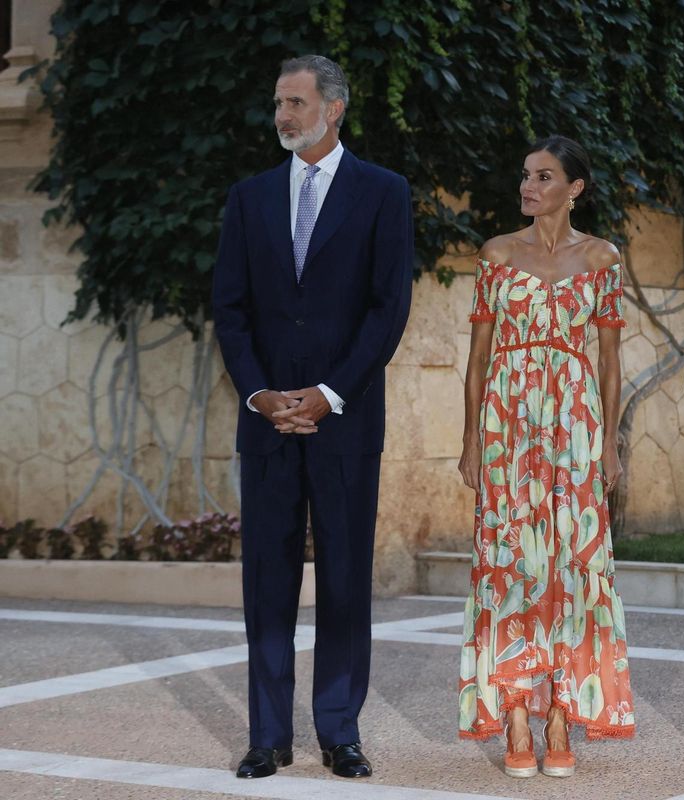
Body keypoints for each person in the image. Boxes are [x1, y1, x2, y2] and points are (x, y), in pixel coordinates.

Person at [211, 54, 413, 780]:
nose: (282, 116)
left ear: (334, 109)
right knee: (266, 580)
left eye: (295, 103)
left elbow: (388, 309)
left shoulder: (384, 194)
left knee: (345, 580)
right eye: (277, 104)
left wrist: (327, 395)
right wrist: (262, 395)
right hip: (266, 423)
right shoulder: (249, 197)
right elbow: (230, 310)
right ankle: (267, 736)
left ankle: (339, 731)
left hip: (345, 421)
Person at [456, 135, 636, 778]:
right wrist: (472, 441)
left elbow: (611, 363)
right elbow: (478, 361)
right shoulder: (497, 253)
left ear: (574, 188)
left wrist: (610, 441)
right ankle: (512, 717)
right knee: (510, 562)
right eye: (525, 175)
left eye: (543, 176)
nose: (528, 186)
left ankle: (560, 712)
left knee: (571, 566)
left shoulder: (603, 258)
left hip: (574, 423)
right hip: (508, 422)